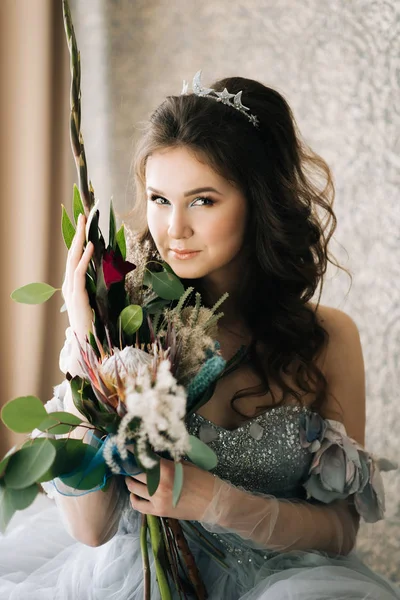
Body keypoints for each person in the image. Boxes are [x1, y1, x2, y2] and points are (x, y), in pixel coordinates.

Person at [0, 71, 399, 600]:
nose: (174, 229)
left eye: (203, 200)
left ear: (259, 200)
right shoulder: (131, 322)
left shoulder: (329, 339)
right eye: (160, 199)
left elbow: (342, 530)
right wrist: (90, 343)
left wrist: (217, 502)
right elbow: (90, 530)